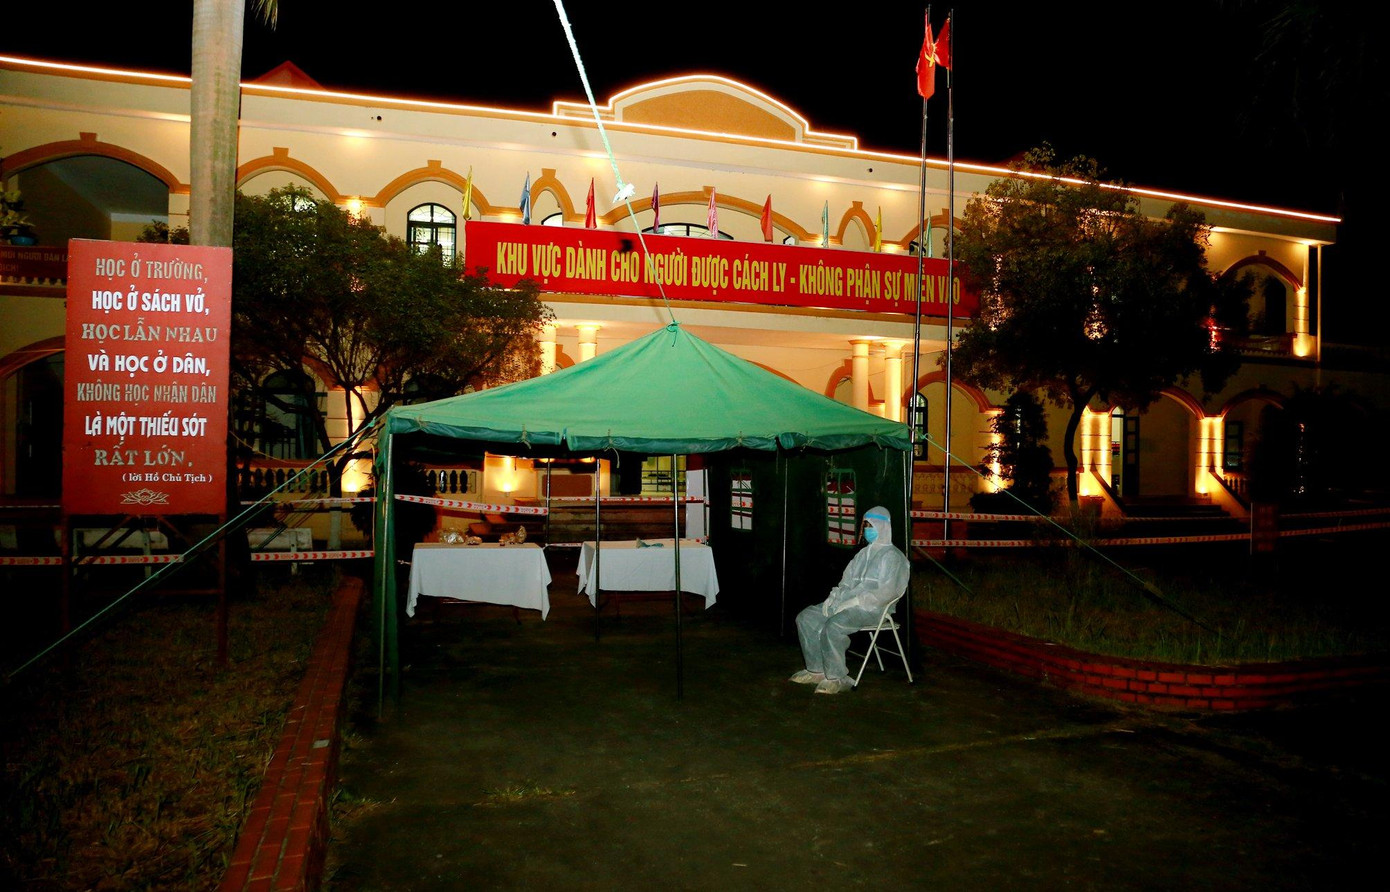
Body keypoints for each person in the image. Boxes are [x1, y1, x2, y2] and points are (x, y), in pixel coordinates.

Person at [791, 505, 911, 694]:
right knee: (806, 618)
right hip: (846, 604)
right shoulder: (862, 555)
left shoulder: (893, 557)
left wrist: (856, 602)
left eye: (871, 525)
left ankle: (836, 677)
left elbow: (887, 592)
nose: (868, 530)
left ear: (883, 526)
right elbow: (846, 582)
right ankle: (816, 671)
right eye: (866, 526)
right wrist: (834, 597)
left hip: (873, 609)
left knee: (833, 625)